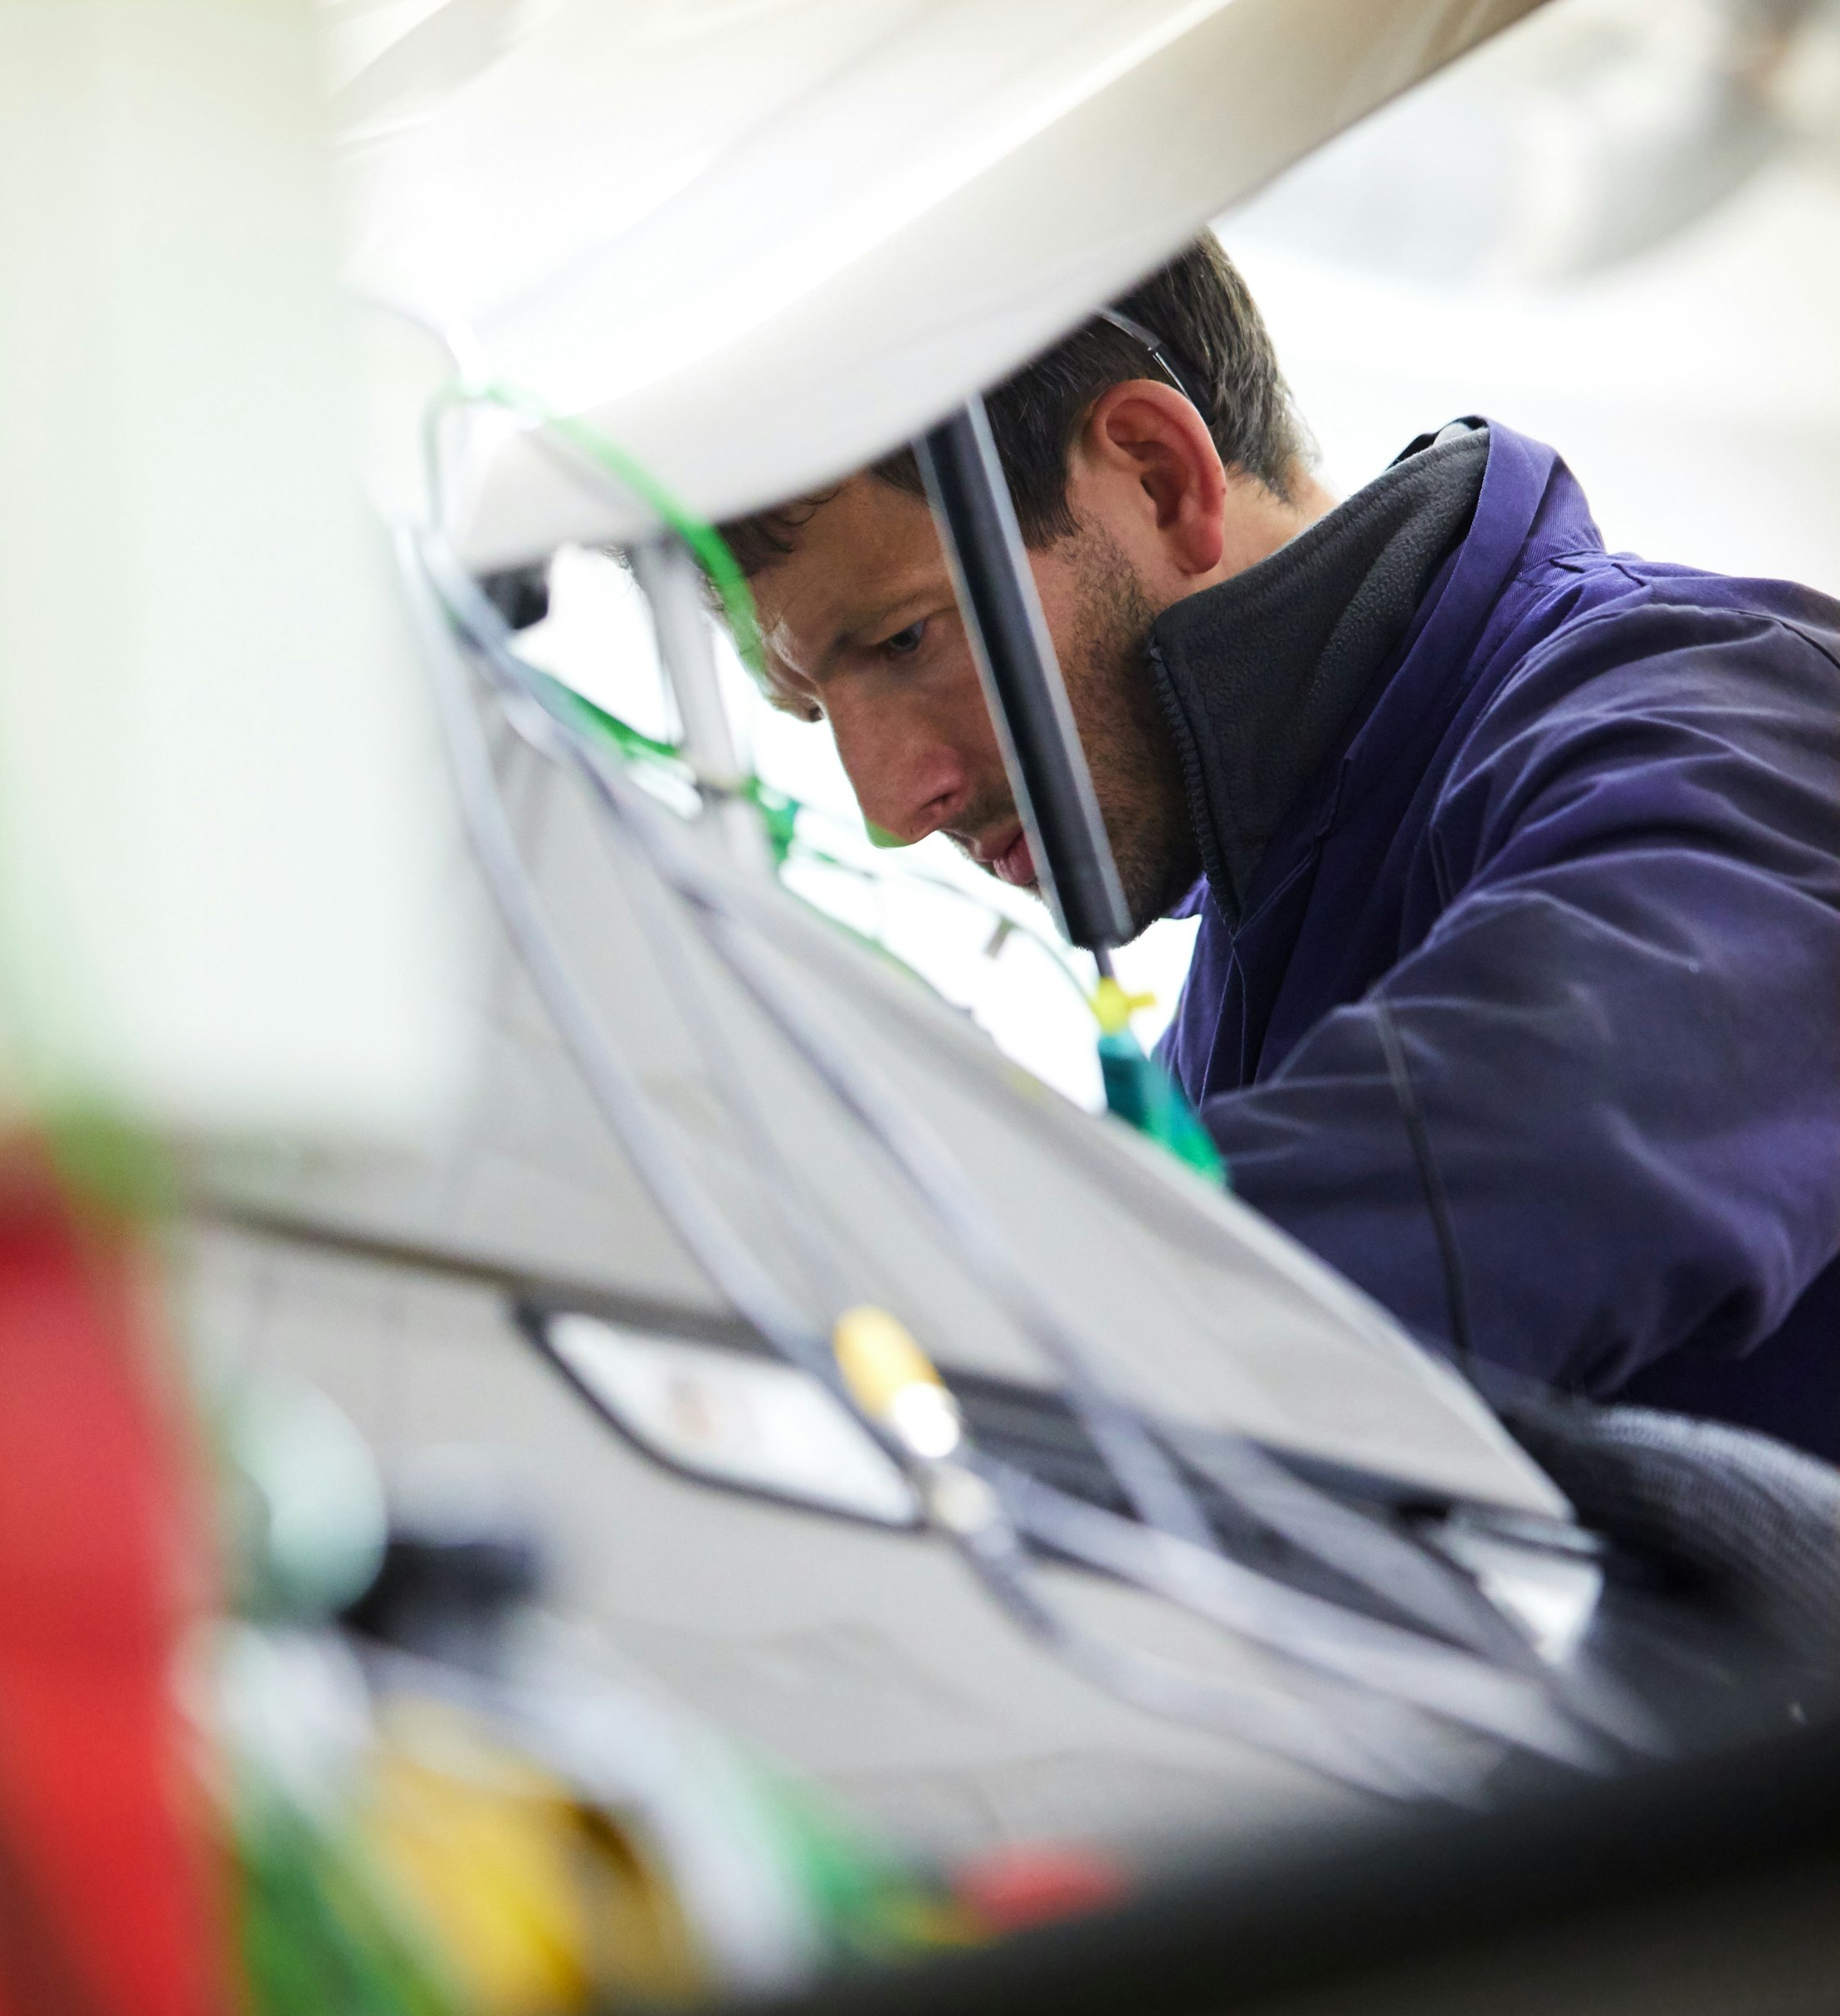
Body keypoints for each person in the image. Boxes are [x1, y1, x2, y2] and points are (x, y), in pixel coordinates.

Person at [716, 232, 1840, 1458]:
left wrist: (883, 1311)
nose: (890, 801)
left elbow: (1544, 1165)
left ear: (1158, 477)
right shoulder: (1224, 1023)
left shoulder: (1713, 713)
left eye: (903, 642)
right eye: (816, 715)